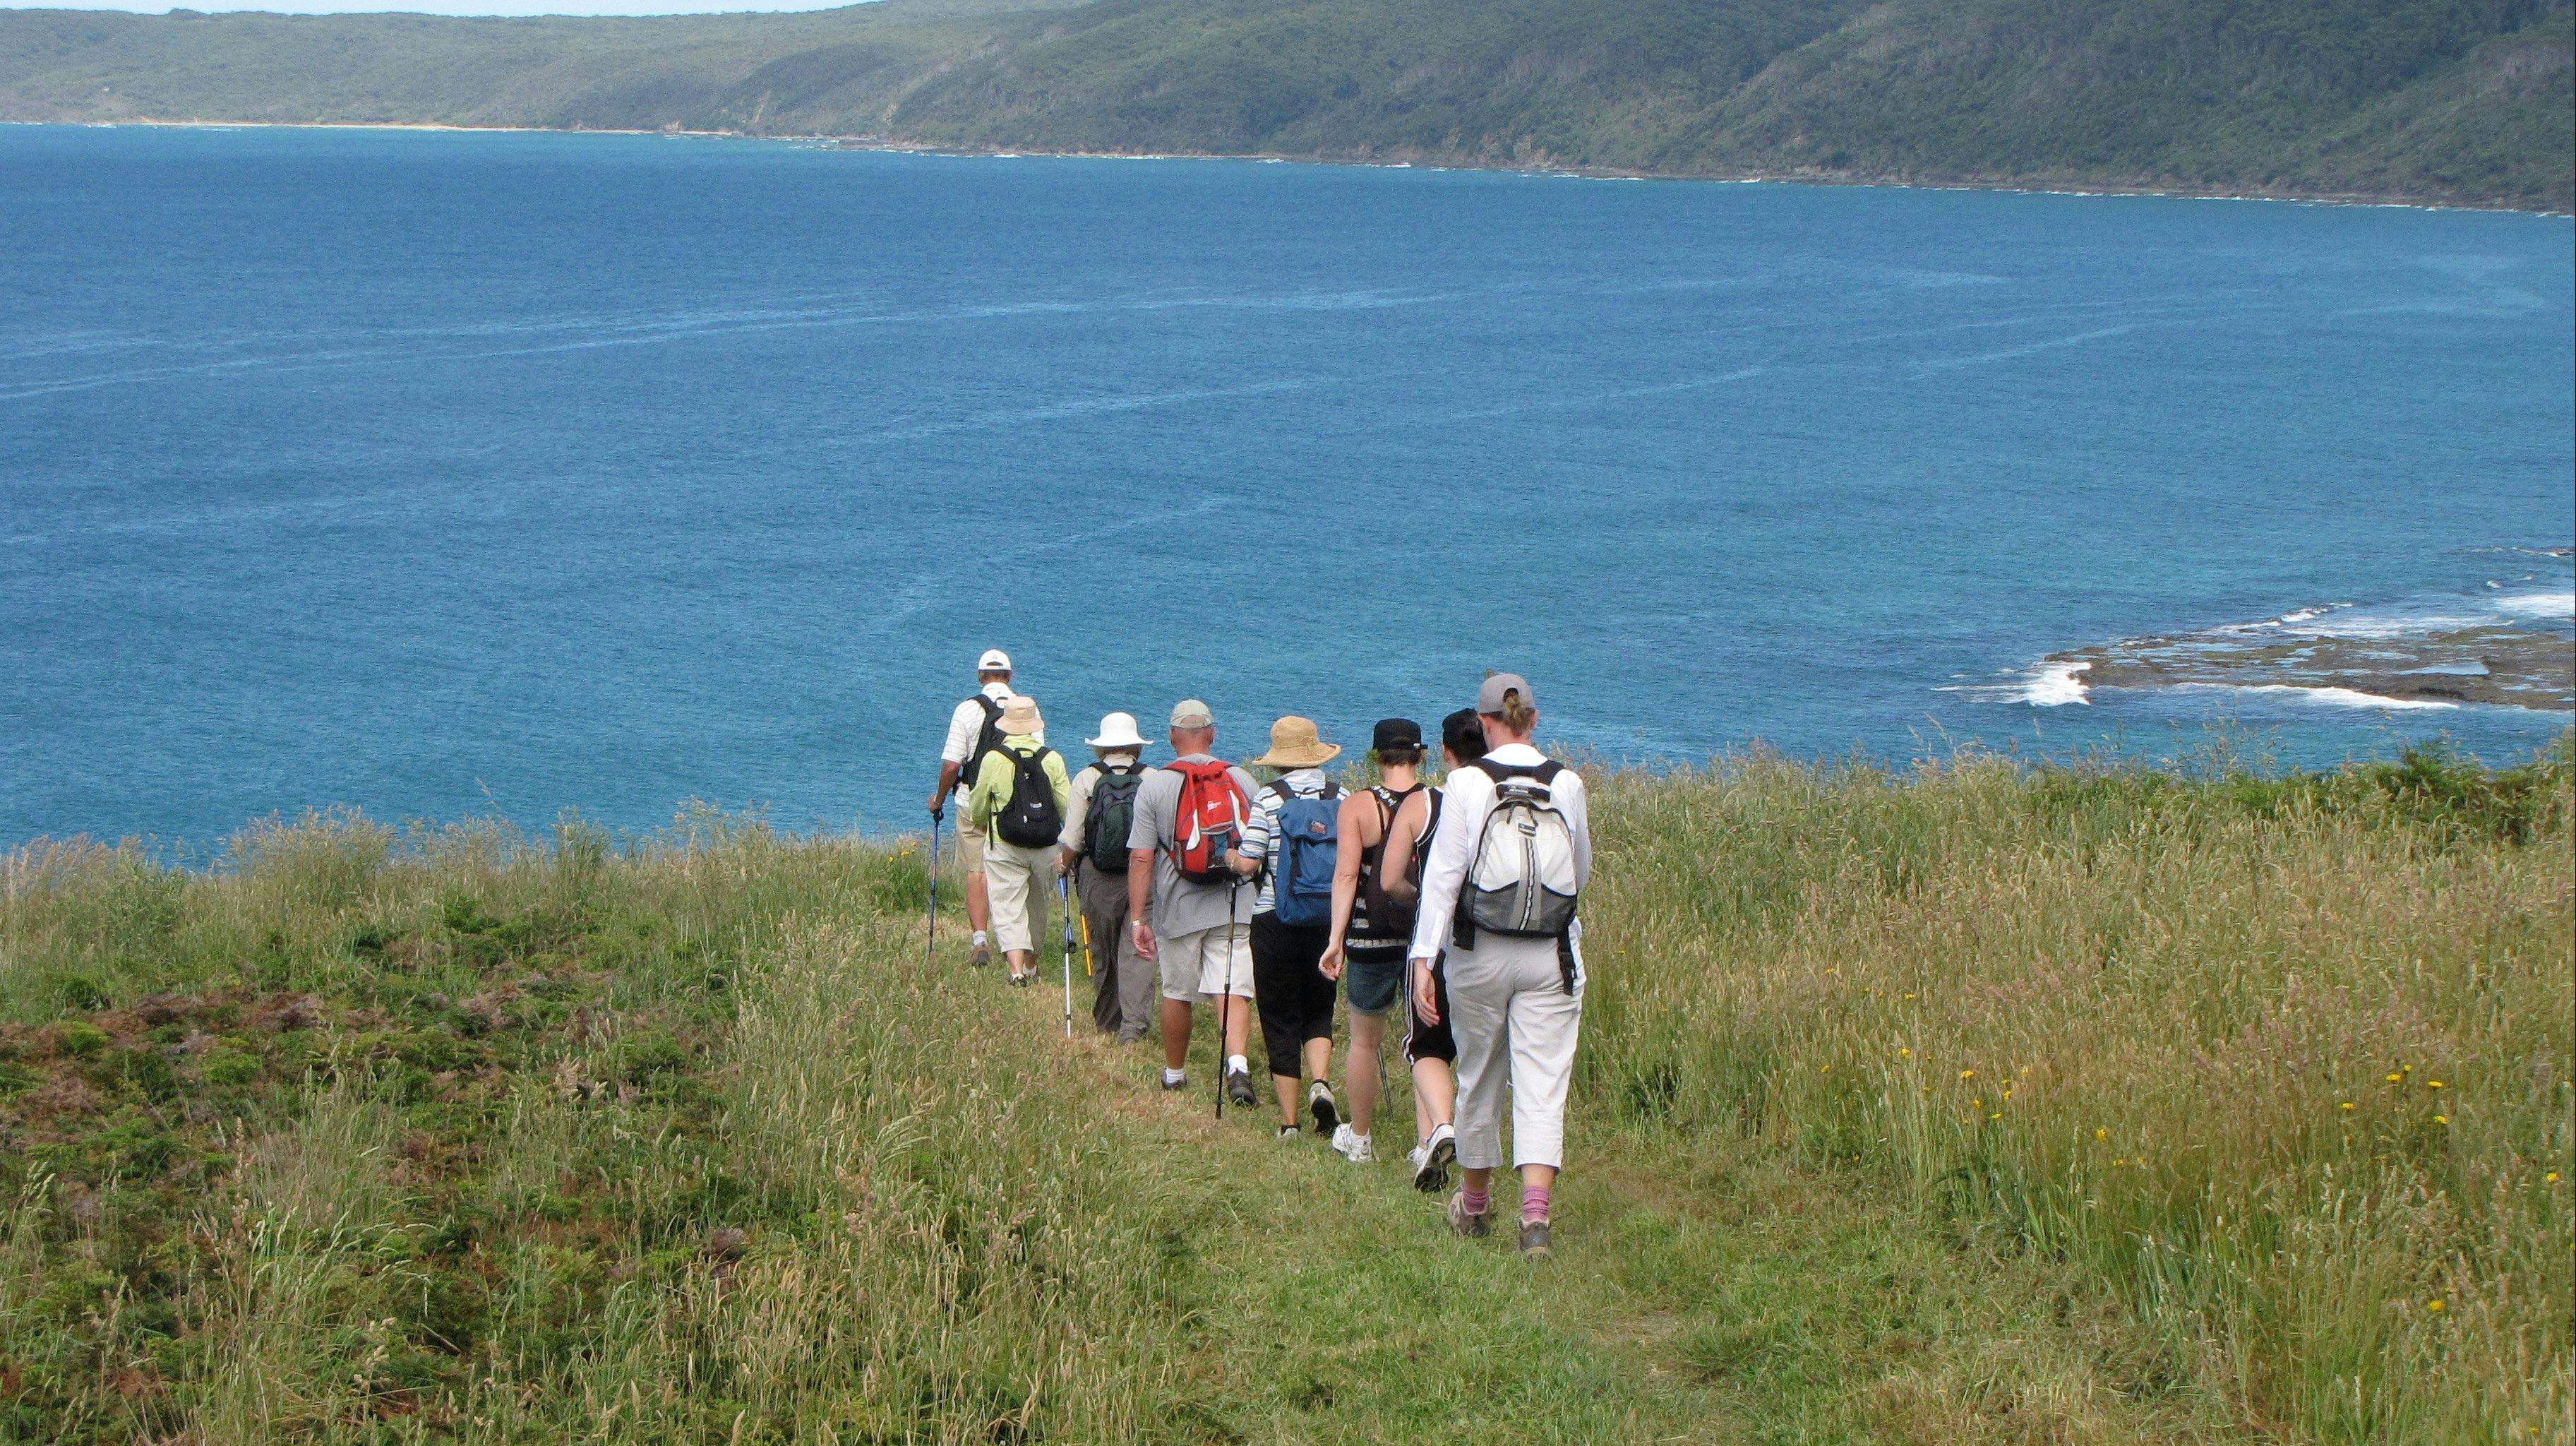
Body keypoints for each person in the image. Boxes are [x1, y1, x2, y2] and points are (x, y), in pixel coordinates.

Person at [1408, 674, 1591, 1260]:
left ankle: (1474, 1203)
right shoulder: (1567, 782)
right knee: (1542, 1080)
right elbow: (1579, 875)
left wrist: (1422, 961)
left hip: (1477, 950)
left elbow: (1443, 879)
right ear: (1532, 719)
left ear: (1485, 724)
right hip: (1552, 952)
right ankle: (1535, 1218)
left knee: (1479, 1071)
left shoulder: (1465, 782)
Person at [1365, 710, 1480, 1190]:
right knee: (1474, 1049)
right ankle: (1437, 1142)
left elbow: (1390, 878)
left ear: (1445, 752)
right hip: (1492, 939)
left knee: (1426, 1044)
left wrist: (1424, 896)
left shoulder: (1427, 802)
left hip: (1435, 941)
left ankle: (1441, 1128)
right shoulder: (1504, 796)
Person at [1127, 700, 1260, 1104]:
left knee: (1177, 992)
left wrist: (1138, 919)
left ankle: (1175, 1073)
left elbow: (1141, 856)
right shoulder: (1242, 780)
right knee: (1233, 986)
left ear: (1171, 737)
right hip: (1235, 900)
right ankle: (1237, 1066)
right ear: (1213, 734)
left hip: (1178, 906)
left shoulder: (1155, 784)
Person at [1316, 717, 1427, 1169]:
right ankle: (1428, 1140)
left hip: (1369, 935)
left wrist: (1335, 938)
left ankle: (1359, 1137)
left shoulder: (1359, 806)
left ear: (1376, 757)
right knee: (1425, 1044)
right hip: (1422, 938)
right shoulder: (1433, 803)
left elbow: (1346, 876)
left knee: (1364, 1040)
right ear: (1420, 756)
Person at [1231, 716, 1345, 1141]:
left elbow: (1248, 861)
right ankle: (1320, 1081)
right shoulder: (1342, 796)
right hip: (1326, 923)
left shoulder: (1267, 799)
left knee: (1280, 1015)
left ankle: (1290, 1122)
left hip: (1275, 919)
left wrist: (1229, 859)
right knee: (1319, 1007)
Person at [1058, 711, 1154, 1044]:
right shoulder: (1152, 777)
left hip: (1097, 875)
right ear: (1136, 746)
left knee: (1103, 948)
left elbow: (1074, 838)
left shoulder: (1087, 779)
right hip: (1143, 874)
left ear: (1102, 748)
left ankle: (1108, 1021)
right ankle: (1134, 1027)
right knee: (1138, 947)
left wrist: (1064, 864)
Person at [966, 694, 1071, 987]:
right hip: (1045, 845)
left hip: (1005, 842)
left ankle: (1015, 971)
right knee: (1037, 905)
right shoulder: (1052, 759)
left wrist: (979, 823)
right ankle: (1032, 966)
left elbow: (978, 804)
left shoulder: (994, 758)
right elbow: (1067, 806)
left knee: (1007, 904)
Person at [928, 649, 1017, 968]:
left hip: (972, 802)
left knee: (977, 870)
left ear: (980, 676)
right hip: (1014, 804)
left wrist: (938, 799)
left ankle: (980, 938)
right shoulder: (1026, 710)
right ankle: (1014, 942)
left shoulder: (966, 710)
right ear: (1010, 676)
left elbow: (952, 765)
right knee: (1010, 872)